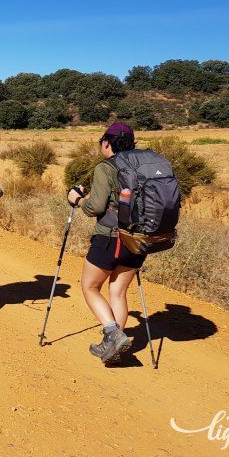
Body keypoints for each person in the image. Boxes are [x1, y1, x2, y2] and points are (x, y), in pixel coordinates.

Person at [67, 121, 143, 364]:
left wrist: (77, 199)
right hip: (139, 239)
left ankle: (112, 333)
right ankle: (113, 347)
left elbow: (95, 208)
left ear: (107, 143)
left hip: (111, 238)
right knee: (118, 292)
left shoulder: (106, 168)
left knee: (90, 287)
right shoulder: (142, 165)